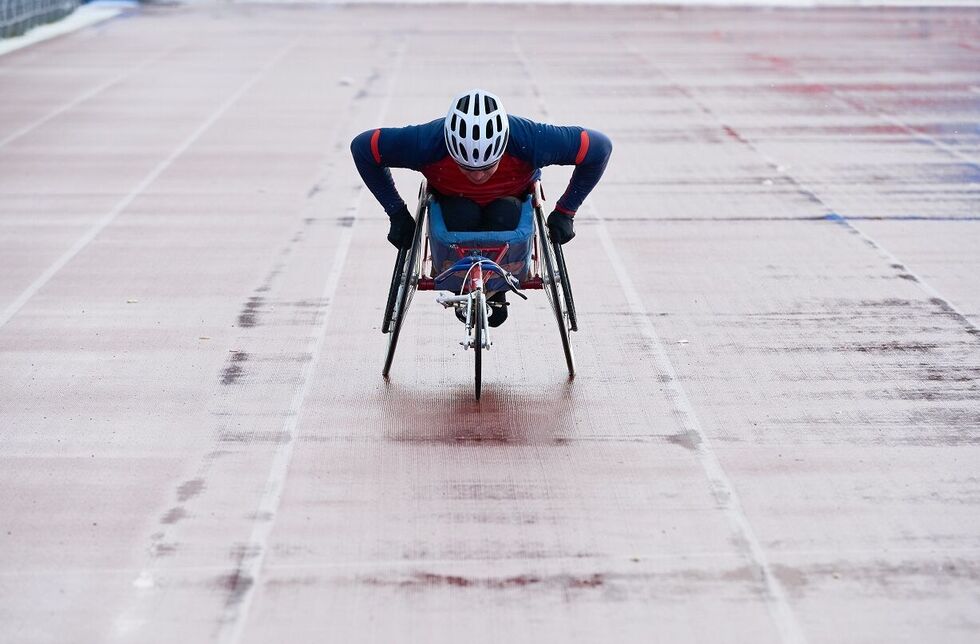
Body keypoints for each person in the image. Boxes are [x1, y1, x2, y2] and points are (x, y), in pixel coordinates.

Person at [351, 89, 612, 326]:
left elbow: (600, 148)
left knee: (506, 211)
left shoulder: (531, 140)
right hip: (454, 207)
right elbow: (363, 148)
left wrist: (567, 211)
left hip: (509, 206)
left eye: (488, 167)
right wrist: (396, 213)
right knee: (461, 212)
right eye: (466, 168)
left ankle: (497, 288)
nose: (478, 176)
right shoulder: (425, 142)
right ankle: (462, 283)